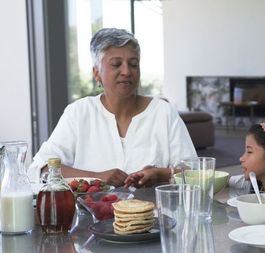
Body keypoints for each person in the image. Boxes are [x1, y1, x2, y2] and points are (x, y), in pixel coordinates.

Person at [29, 28, 197, 187]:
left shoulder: (163, 112)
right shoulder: (78, 113)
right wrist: (96, 177)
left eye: (133, 64)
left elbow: (194, 171)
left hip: (153, 214)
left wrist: (159, 174)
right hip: (90, 215)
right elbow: (40, 168)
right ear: (96, 73)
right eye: (116, 64)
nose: (126, 71)